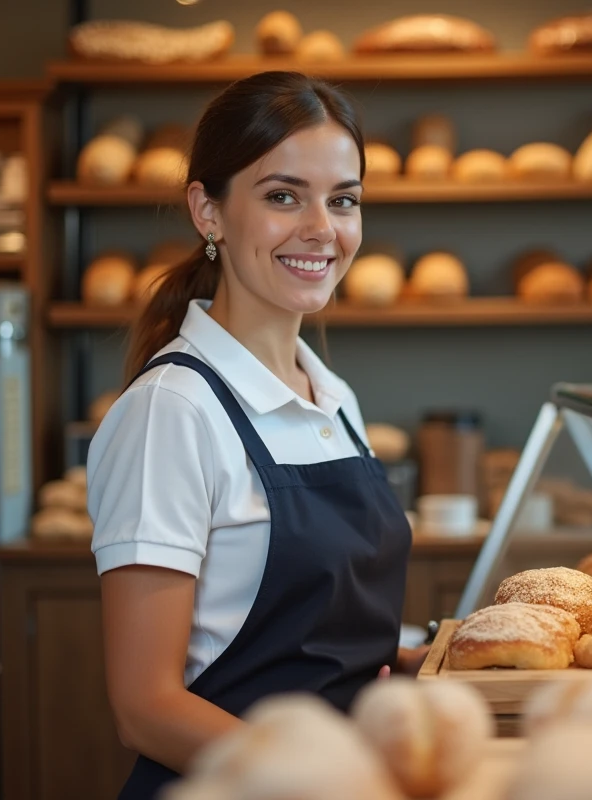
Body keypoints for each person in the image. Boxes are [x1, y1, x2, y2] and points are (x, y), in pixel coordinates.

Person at [87, 71, 422, 799]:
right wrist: (328, 775)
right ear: (208, 211)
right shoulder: (171, 412)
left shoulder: (333, 397)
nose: (321, 229)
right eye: (282, 196)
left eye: (343, 201)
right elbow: (145, 709)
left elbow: (316, 646)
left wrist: (420, 665)